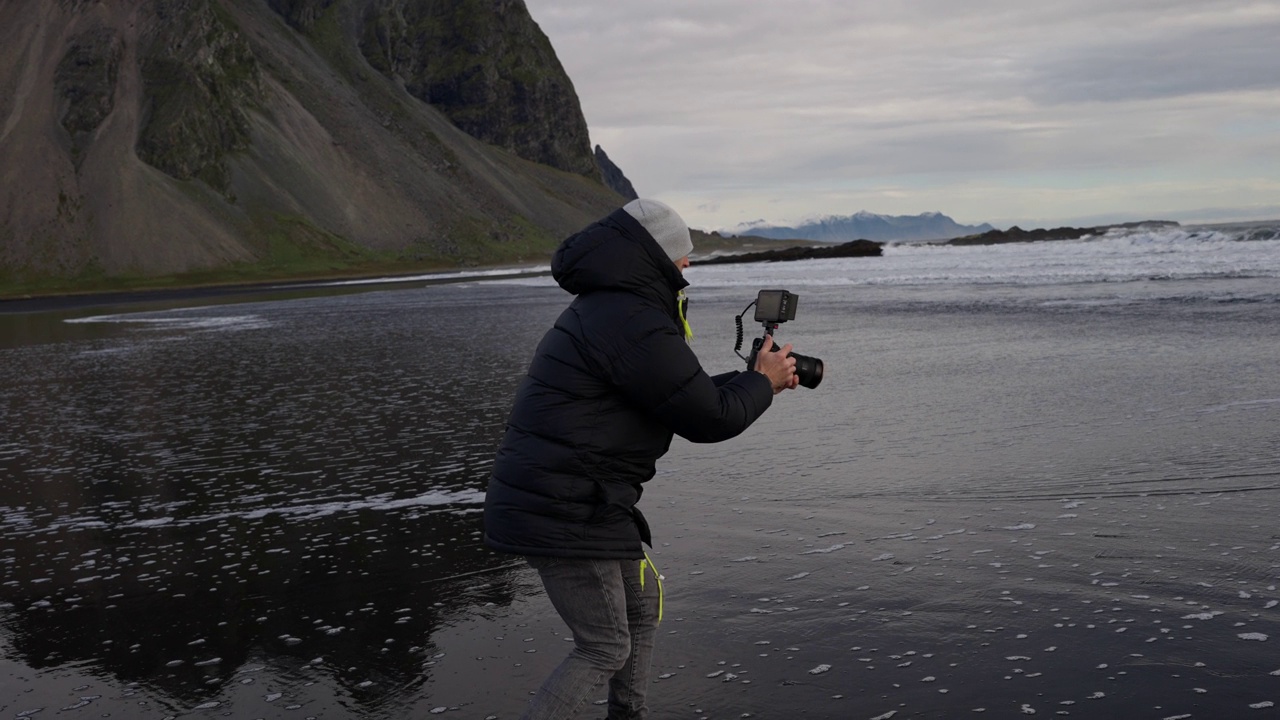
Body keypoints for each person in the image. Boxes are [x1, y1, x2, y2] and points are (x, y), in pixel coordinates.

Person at [483, 198, 799, 719]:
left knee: (640, 610)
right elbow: (708, 420)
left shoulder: (616, 306)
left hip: (577, 496)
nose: (689, 265)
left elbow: (677, 395)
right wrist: (760, 383)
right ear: (656, 255)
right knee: (604, 645)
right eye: (681, 255)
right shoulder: (631, 317)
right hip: (564, 504)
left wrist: (757, 382)